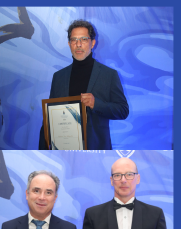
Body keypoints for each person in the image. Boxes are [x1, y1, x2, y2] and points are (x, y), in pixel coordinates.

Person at [39, 20, 129, 150]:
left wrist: (95, 104)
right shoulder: (58, 77)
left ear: (92, 43)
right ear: (69, 44)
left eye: (84, 39)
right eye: (74, 40)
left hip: (96, 149)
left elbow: (123, 111)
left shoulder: (109, 75)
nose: (78, 44)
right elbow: (49, 117)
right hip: (62, 148)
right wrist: (43, 147)